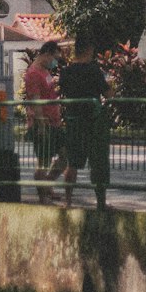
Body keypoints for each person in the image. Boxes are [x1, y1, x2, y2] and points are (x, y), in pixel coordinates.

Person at [58, 35, 107, 207]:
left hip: (72, 120)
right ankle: (101, 202)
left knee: (72, 163)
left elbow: (63, 90)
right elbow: (107, 93)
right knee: (97, 162)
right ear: (89, 50)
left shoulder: (66, 71)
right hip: (92, 121)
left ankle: (68, 201)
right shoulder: (94, 71)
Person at [23, 41, 66, 202]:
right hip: (43, 123)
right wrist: (40, 123)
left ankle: (47, 185)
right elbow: (35, 100)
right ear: (47, 53)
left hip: (54, 122)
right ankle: (43, 196)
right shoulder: (34, 73)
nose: (55, 62)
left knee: (64, 156)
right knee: (44, 161)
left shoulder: (45, 71)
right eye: (55, 57)